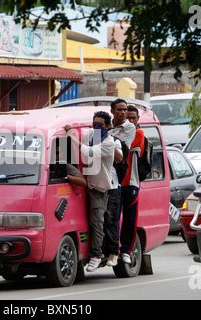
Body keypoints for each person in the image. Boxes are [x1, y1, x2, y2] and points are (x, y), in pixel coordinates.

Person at [65, 111, 115, 272]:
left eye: (100, 124)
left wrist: (71, 136)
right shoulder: (91, 136)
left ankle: (96, 254)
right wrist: (70, 131)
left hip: (99, 188)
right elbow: (77, 129)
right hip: (85, 185)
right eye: (94, 123)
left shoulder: (108, 143)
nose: (96, 127)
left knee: (96, 222)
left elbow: (87, 152)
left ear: (108, 126)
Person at [102, 99, 136, 267]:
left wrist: (106, 135)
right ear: (112, 111)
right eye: (119, 109)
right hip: (102, 177)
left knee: (116, 216)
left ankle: (119, 251)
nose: (123, 112)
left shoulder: (129, 127)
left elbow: (121, 149)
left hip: (121, 178)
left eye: (125, 109)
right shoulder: (106, 127)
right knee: (103, 216)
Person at [119, 105, 145, 264]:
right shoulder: (118, 131)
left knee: (130, 219)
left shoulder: (139, 133)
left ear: (137, 120)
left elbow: (124, 146)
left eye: (133, 118)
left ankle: (126, 250)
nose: (130, 121)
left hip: (131, 183)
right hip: (115, 183)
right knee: (113, 218)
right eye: (127, 118)